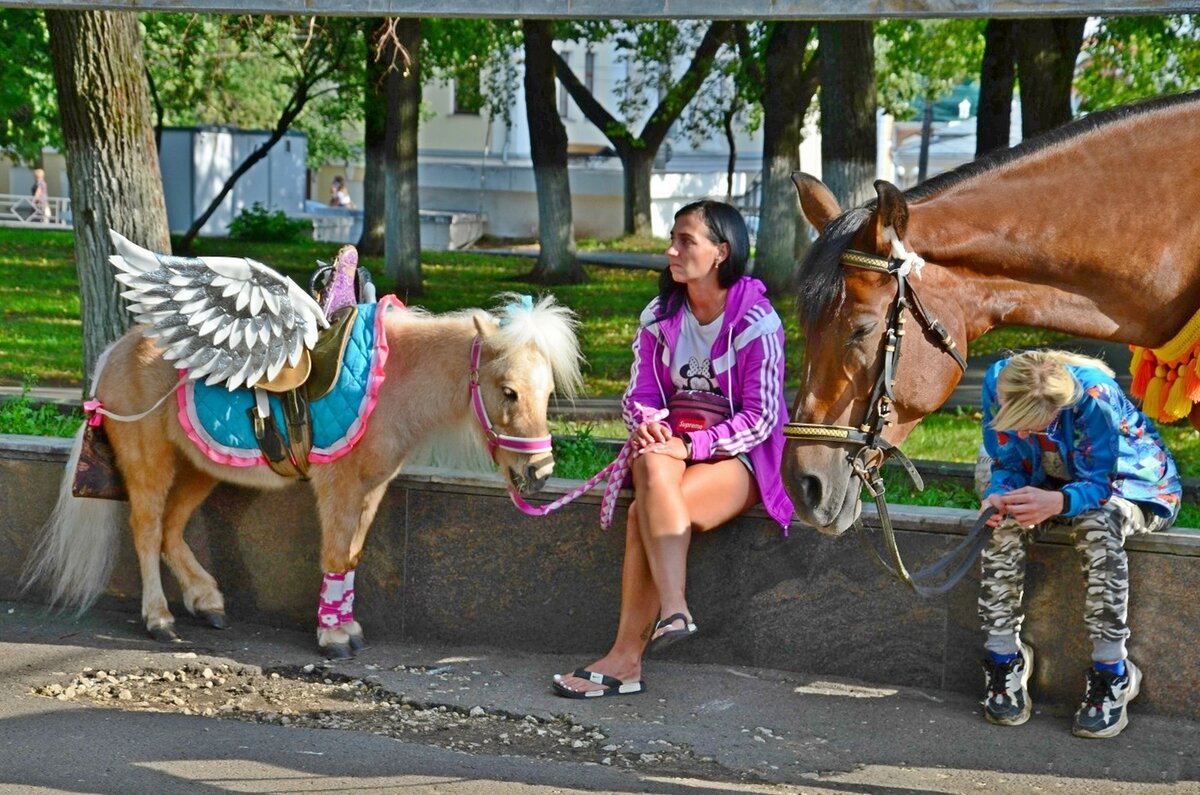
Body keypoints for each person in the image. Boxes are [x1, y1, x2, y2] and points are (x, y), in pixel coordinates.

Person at [552, 199, 793, 699]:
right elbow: (640, 395)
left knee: (646, 510)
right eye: (674, 239)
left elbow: (762, 417)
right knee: (652, 465)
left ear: (721, 252)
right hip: (672, 449)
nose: (671, 250)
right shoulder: (660, 316)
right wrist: (649, 427)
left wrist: (694, 444)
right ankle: (674, 610)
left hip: (739, 459)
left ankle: (627, 657)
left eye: (686, 241)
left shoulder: (758, 322)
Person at [977, 349, 1180, 738]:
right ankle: (1004, 659)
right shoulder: (1000, 382)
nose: (1018, 434)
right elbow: (1006, 461)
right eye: (1011, 420)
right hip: (1052, 482)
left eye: (1030, 427)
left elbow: (1100, 485)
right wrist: (998, 494)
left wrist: (1059, 502)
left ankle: (1112, 673)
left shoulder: (1094, 398)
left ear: (1058, 409)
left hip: (1131, 488)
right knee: (1002, 524)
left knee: (1097, 525)